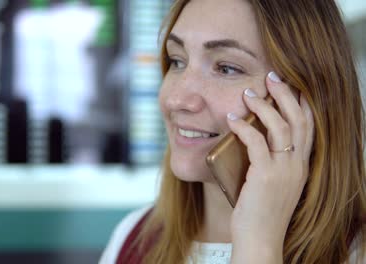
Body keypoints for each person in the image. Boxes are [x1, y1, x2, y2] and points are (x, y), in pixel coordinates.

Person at [100, 0, 366, 263]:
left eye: (226, 68)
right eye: (177, 61)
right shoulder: (131, 240)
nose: (176, 99)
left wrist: (259, 244)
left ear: (299, 101)